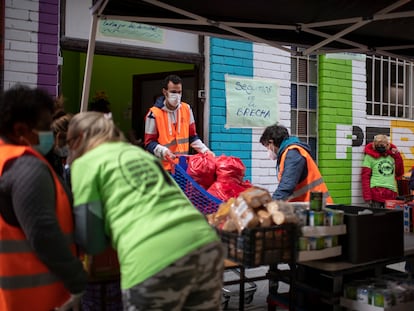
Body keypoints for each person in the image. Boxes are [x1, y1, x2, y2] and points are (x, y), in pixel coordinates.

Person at [67, 111, 224, 310]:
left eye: (69, 142)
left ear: (79, 138)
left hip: (154, 258)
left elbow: (91, 238)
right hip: (205, 245)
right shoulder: (141, 155)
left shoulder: (85, 163)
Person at [0, 84, 87, 311]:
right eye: (45, 127)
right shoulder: (26, 167)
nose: (50, 133)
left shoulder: (4, 160)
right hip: (37, 299)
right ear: (20, 130)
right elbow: (43, 232)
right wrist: (77, 278)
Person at [144, 74, 214, 171]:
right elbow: (149, 143)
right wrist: (163, 151)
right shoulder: (154, 114)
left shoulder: (187, 109)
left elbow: (192, 136)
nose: (177, 96)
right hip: (162, 169)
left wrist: (205, 151)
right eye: (173, 92)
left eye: (179, 92)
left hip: (181, 168)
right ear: (165, 92)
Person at [260, 123, 333, 204]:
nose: (268, 151)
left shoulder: (293, 153)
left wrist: (270, 206)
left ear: (271, 142)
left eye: (267, 147)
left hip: (316, 207)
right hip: (309, 204)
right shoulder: (287, 153)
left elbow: (286, 186)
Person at [361, 134, 404, 208]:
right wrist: (367, 196)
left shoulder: (392, 156)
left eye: (383, 145)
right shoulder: (369, 157)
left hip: (391, 193)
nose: (380, 147)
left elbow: (399, 173)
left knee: (389, 218)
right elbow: (365, 177)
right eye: (378, 145)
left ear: (387, 145)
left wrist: (397, 155)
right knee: (376, 218)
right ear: (374, 145)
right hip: (376, 192)